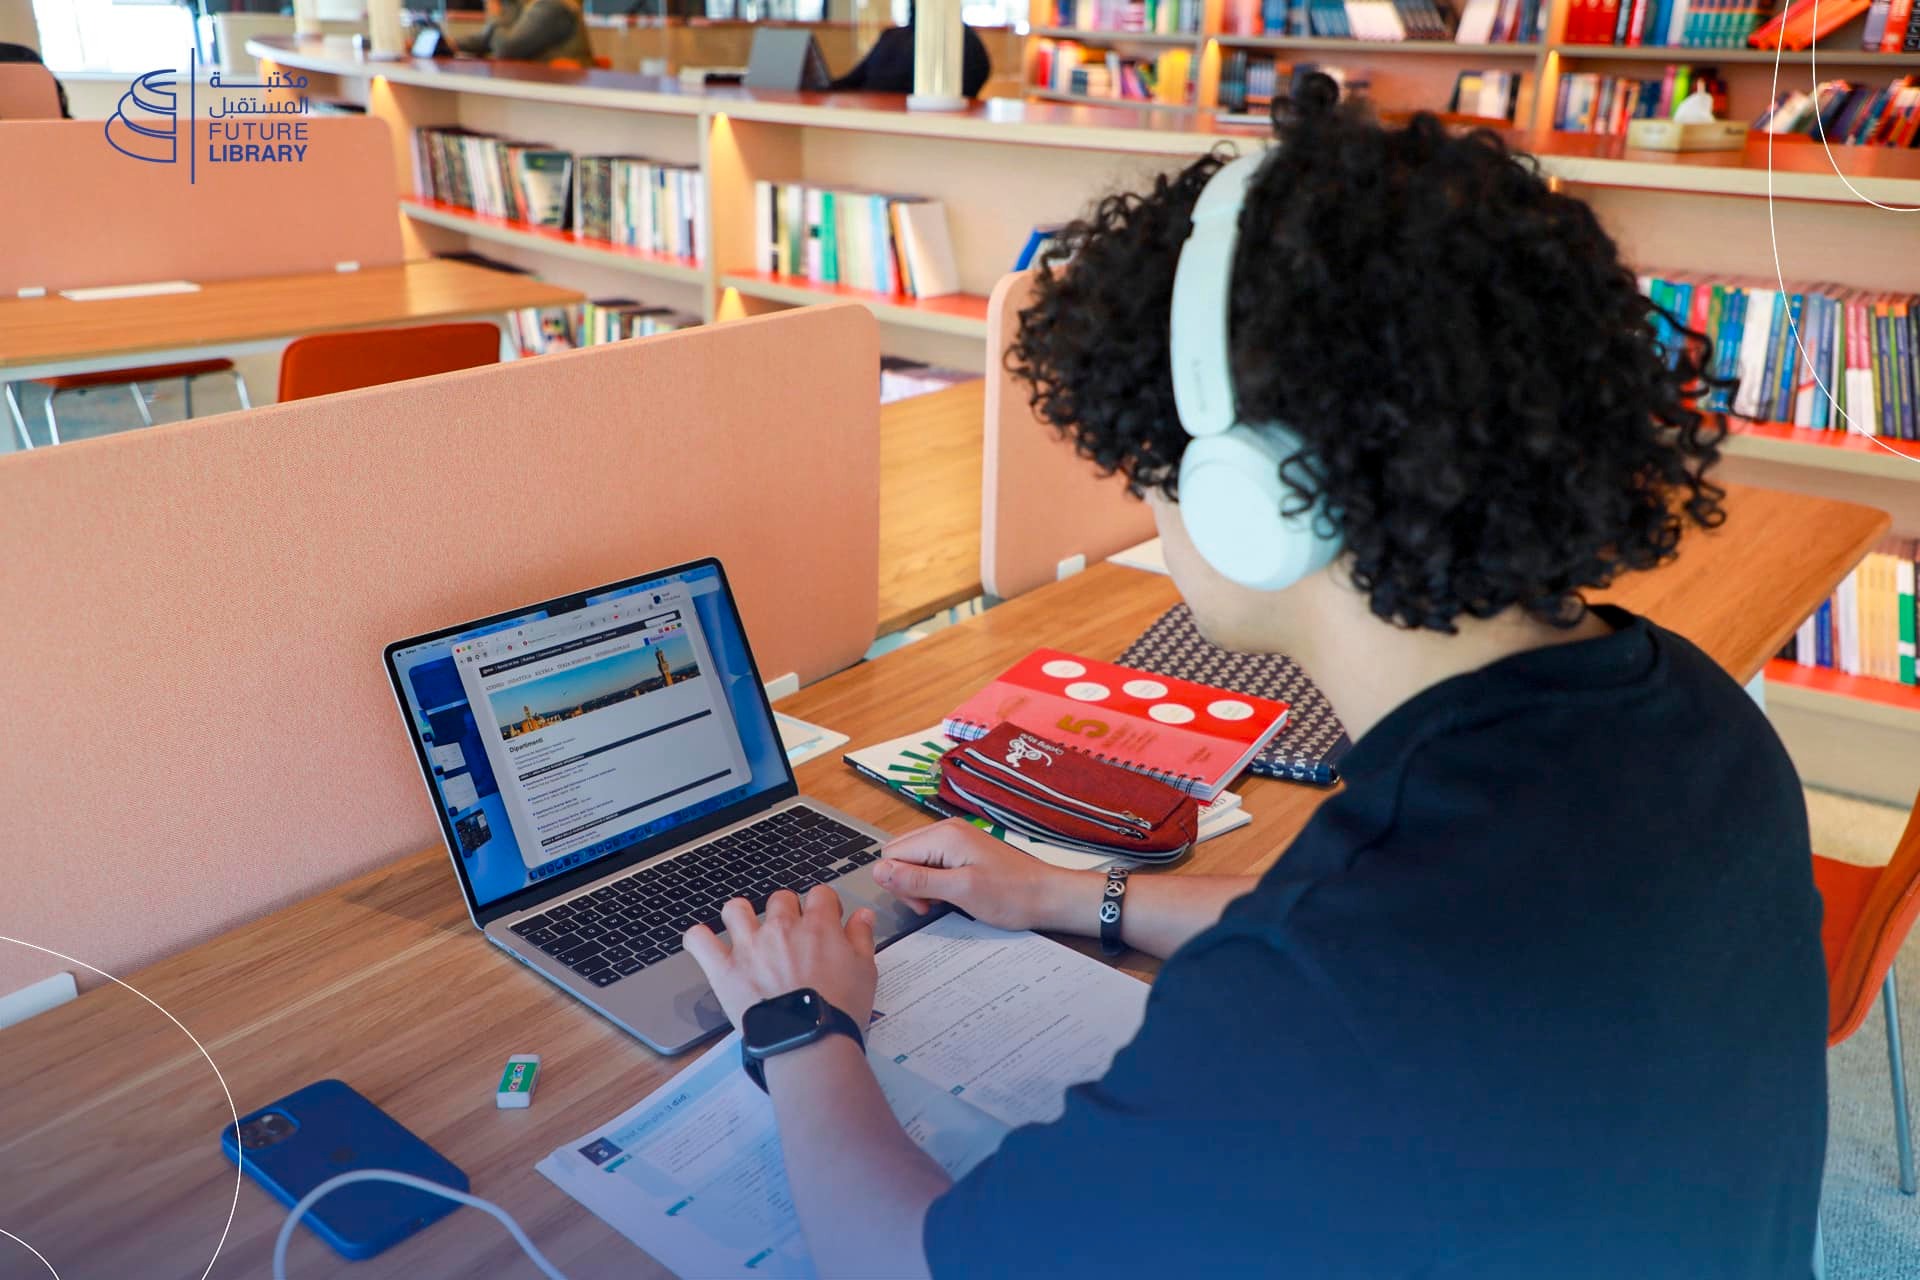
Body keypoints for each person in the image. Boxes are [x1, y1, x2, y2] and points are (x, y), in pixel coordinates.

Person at [682, 83, 1828, 1279]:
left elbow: (904, 1264)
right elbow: (1368, 923)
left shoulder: (1317, 1003)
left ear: (1253, 495)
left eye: (1154, 465)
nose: (1151, 503)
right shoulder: (1697, 717)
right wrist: (1071, 892)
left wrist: (801, 1020)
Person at [829, 2, 990, 99]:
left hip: (915, 127)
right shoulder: (892, 36)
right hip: (874, 121)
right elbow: (850, 81)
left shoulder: (959, 40)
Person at [455, 0, 593, 64]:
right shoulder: (525, 4)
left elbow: (506, 49)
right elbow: (495, 37)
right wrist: (453, 44)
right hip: (539, 92)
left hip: (563, 97)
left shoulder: (553, 6)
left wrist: (495, 13)